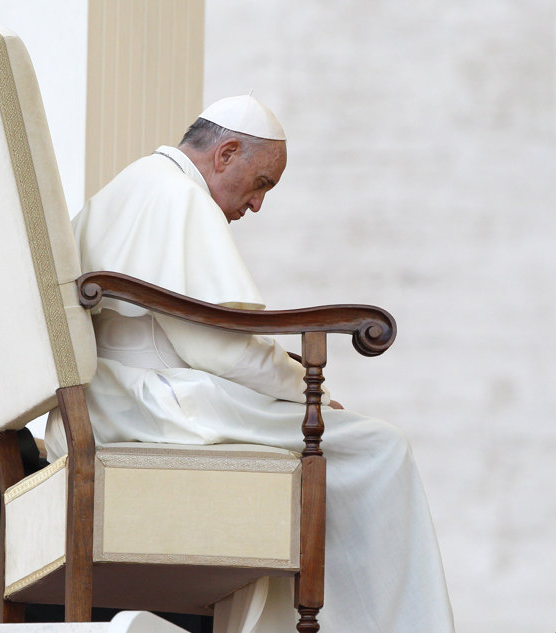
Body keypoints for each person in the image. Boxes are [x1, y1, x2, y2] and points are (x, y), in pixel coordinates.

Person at [45, 96, 455, 633]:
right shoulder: (178, 198)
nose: (258, 205)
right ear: (226, 152)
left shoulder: (127, 188)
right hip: (154, 405)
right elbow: (219, 348)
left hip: (109, 405)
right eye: (262, 183)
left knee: (295, 486)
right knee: (380, 448)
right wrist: (307, 389)